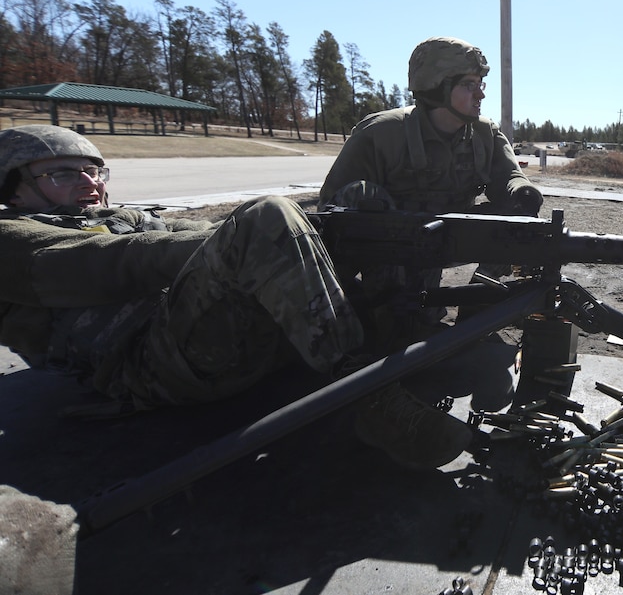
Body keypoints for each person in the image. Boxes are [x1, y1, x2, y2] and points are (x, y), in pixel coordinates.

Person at [0, 124, 472, 470]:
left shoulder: (129, 216)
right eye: (62, 174)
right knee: (267, 218)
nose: (89, 184)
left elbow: (209, 232)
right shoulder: (13, 236)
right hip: (148, 366)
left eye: (94, 170)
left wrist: (316, 229)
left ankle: (399, 334)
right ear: (14, 192)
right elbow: (113, 260)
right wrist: (260, 234)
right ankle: (367, 395)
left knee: (357, 201)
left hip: (212, 344)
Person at [318, 37, 544, 339]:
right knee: (362, 198)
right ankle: (366, 313)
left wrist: (520, 192)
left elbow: (508, 179)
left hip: (449, 236)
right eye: (469, 85)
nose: (480, 94)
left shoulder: (484, 134)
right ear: (437, 87)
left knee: (512, 219)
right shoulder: (381, 134)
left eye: (481, 84)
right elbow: (331, 215)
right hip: (393, 248)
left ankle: (477, 318)